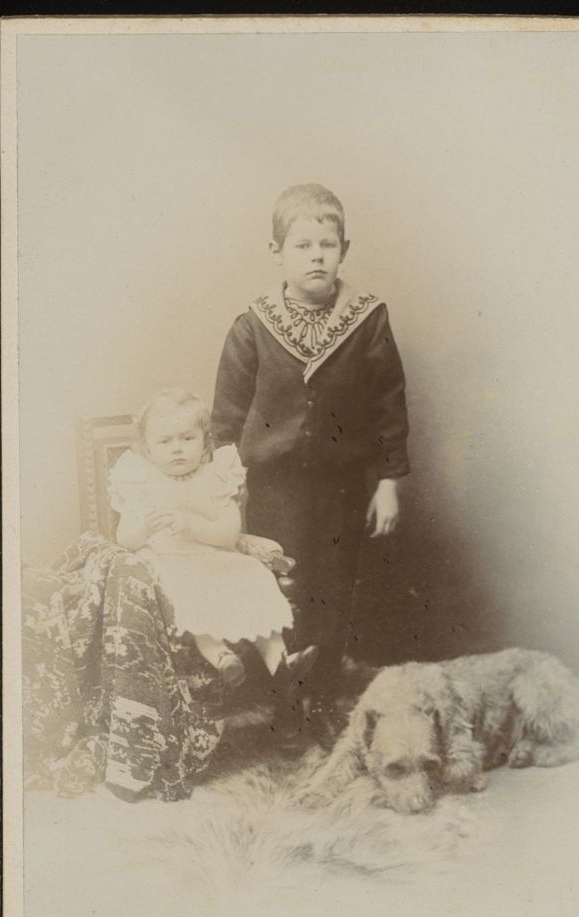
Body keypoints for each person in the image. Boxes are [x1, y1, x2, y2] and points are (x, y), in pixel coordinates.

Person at [211, 183, 410, 747]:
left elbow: (389, 404)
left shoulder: (367, 319)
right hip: (270, 490)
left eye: (327, 245)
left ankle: (320, 700)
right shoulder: (253, 325)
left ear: (344, 249)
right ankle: (284, 707)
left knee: (332, 593)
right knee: (279, 594)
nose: (317, 256)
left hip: (341, 489)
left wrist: (389, 482)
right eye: (303, 246)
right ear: (277, 252)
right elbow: (226, 417)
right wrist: (225, 486)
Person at [108, 388, 317, 694]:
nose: (177, 449)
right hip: (169, 561)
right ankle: (221, 657)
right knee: (187, 593)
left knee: (255, 576)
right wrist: (145, 527)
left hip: (215, 556)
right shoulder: (141, 481)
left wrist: (192, 527)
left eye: (187, 439)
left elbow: (229, 533)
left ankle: (281, 663)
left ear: (205, 443)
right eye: (165, 442)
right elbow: (124, 539)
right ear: (148, 450)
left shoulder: (216, 476)